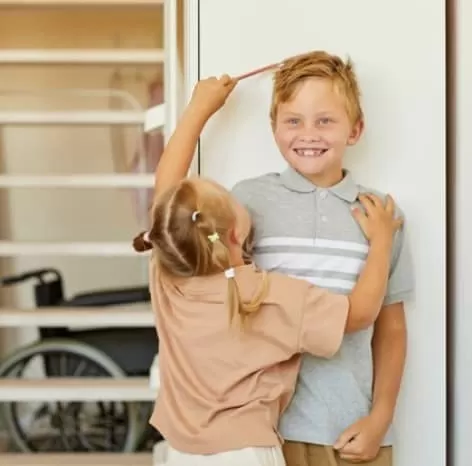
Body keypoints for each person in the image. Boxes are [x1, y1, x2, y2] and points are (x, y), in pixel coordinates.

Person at [133, 73, 402, 466]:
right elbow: (360, 314)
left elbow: (167, 198)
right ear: (237, 232)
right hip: (250, 449)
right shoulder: (268, 296)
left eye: (323, 120)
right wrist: (381, 243)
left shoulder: (170, 276)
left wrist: (198, 109)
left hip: (183, 451)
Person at [232, 51, 414, 466]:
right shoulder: (246, 202)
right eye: (293, 121)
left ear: (355, 129)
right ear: (273, 127)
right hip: (262, 434)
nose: (308, 134)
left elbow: (392, 328)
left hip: (350, 433)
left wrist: (380, 419)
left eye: (325, 120)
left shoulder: (382, 215)